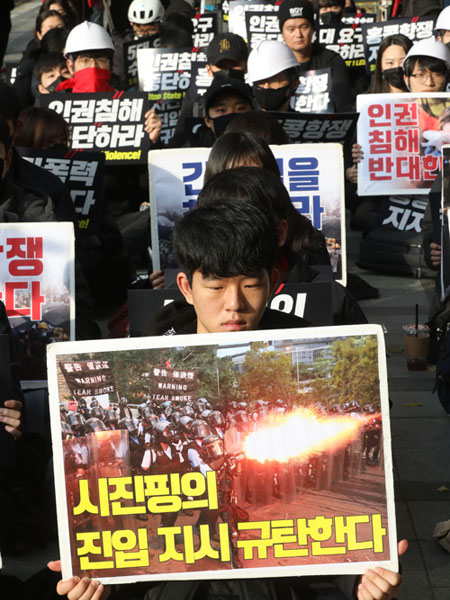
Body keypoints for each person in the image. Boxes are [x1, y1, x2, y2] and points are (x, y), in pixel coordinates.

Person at [49, 197, 408, 599]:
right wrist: (94, 576)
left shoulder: (294, 338)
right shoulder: (152, 349)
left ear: (273, 279)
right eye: (216, 286)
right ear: (187, 287)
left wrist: (361, 578)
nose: (234, 304)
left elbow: (335, 543)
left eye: (250, 285)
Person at [170, 32, 249, 147]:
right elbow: (176, 151)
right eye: (221, 66)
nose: (228, 70)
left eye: (234, 64)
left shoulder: (259, 103)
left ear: (246, 66)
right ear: (209, 70)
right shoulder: (195, 108)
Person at [278, 0, 353, 112]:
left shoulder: (332, 60)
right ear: (282, 32)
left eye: (304, 27)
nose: (298, 34)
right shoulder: (274, 63)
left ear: (313, 28)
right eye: (291, 29)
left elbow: (342, 103)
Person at [190, 77, 253, 147]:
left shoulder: (261, 145)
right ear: (207, 121)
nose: (231, 113)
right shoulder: (191, 151)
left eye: (240, 108)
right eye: (221, 110)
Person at [246, 40, 300, 113]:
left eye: (274, 81)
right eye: (260, 81)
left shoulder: (303, 120)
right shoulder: (243, 120)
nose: (266, 87)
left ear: (295, 84)